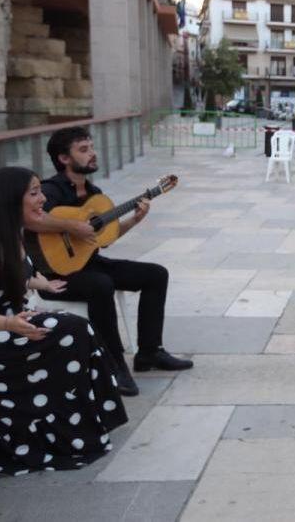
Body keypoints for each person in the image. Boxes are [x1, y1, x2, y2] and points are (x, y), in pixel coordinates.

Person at [0, 167, 127, 478]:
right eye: (33, 193)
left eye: (39, 190)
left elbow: (3, 281)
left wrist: (38, 285)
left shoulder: (5, 234)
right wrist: (9, 325)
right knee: (70, 332)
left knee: (72, 329)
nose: (42, 198)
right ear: (9, 201)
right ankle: (45, 435)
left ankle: (63, 430)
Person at [24, 127, 192, 397]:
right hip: (53, 274)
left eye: (91, 147)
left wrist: (134, 219)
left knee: (155, 274)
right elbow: (31, 219)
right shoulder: (49, 190)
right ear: (64, 158)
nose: (92, 154)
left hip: (90, 264)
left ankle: (149, 352)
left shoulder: (95, 194)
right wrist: (72, 226)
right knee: (101, 285)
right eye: (83, 149)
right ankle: (112, 364)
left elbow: (102, 239)